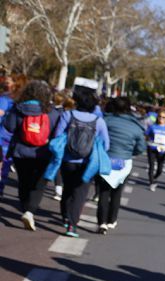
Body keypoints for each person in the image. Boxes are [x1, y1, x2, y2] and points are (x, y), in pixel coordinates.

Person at [52, 88, 109, 237]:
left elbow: (58, 135)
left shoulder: (67, 115)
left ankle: (65, 215)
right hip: (88, 162)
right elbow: (106, 145)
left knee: (68, 188)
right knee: (80, 193)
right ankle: (72, 225)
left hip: (67, 159)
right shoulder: (99, 121)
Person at [2, 79, 58, 231]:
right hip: (43, 153)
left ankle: (25, 206)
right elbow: (56, 132)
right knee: (38, 184)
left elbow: (9, 126)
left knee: (23, 181)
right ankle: (30, 211)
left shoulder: (18, 108)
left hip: (21, 152)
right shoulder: (51, 111)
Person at [96, 96, 145, 234]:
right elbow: (141, 147)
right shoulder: (136, 126)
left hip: (106, 159)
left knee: (103, 193)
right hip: (124, 162)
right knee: (117, 192)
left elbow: (98, 138)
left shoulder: (106, 121)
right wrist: (130, 152)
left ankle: (102, 222)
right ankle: (112, 220)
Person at [145, 109, 165, 191]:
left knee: (160, 169)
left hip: (162, 150)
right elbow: (146, 135)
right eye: (160, 116)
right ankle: (151, 182)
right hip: (152, 148)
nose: (161, 118)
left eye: (163, 117)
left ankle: (154, 177)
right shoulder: (153, 126)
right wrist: (149, 142)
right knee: (151, 166)